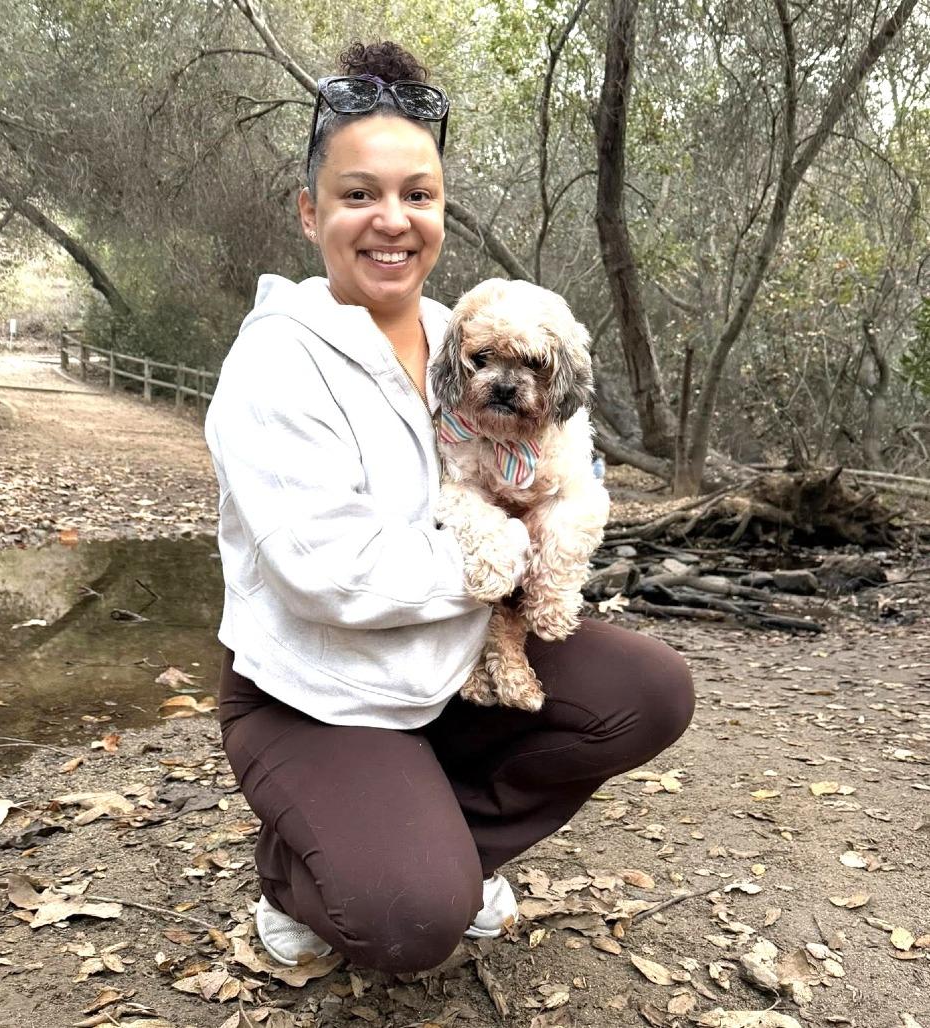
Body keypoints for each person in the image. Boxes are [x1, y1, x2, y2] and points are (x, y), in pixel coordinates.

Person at [204, 40, 694, 974]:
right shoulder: (275, 362)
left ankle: (440, 846)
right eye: (358, 194)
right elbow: (328, 576)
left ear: (440, 212)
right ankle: (300, 870)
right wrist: (507, 551)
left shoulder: (464, 329)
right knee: (409, 924)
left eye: (417, 195)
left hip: (448, 663)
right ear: (310, 212)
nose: (391, 220)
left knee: (647, 693)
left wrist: (552, 509)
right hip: (321, 694)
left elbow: (565, 459)